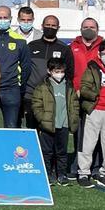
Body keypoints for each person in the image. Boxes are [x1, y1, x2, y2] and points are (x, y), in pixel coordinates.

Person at [77, 40, 105, 188]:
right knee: (88, 144)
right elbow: (84, 87)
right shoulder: (92, 67)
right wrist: (95, 96)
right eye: (104, 54)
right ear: (99, 54)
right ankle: (83, 173)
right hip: (94, 110)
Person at [0, 5, 31, 128]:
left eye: (5, 17)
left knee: (12, 127)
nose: (3, 20)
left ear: (11, 19)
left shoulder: (21, 41)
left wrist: (20, 88)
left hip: (11, 90)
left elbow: (26, 67)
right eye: (0, 17)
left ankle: (10, 147)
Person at [30, 57, 77, 185]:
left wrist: (72, 119)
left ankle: (61, 175)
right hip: (48, 125)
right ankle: (47, 174)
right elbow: (36, 104)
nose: (59, 74)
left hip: (64, 124)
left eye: (62, 71)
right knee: (47, 152)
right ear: (49, 71)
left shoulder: (68, 86)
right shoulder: (42, 87)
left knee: (62, 152)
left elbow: (74, 104)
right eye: (57, 71)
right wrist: (42, 119)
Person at [25, 15, 73, 129]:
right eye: (47, 25)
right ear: (42, 26)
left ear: (58, 28)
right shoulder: (32, 46)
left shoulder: (64, 48)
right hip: (31, 95)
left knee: (51, 130)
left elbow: (69, 73)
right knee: (32, 129)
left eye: (53, 26)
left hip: (54, 96)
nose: (50, 28)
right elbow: (25, 68)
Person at [70, 18, 104, 173]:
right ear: (80, 29)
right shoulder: (72, 47)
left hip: (99, 98)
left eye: (92, 27)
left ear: (97, 29)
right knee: (79, 133)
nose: (88, 29)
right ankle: (78, 165)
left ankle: (96, 166)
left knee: (97, 133)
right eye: (85, 27)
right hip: (77, 96)